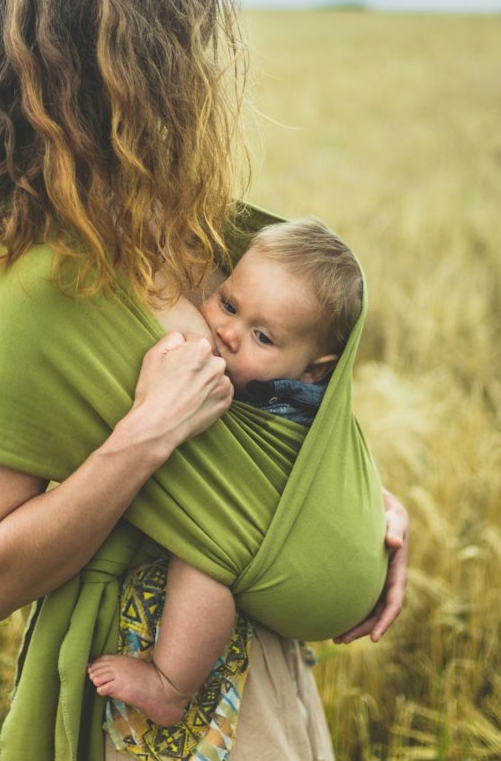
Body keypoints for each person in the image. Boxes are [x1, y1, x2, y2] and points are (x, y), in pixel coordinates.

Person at [0, 0, 409, 761]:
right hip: (148, 699)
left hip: (264, 676)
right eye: (190, 16)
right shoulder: (38, 287)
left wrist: (354, 506)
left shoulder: (196, 229)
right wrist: (145, 433)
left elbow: (266, 428)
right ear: (146, 38)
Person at [88, 218, 363, 728]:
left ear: (314, 370)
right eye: (229, 304)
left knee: (208, 560)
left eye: (262, 336)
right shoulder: (257, 359)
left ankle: (171, 685)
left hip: (254, 537)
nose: (227, 333)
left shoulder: (289, 406)